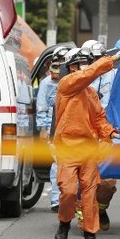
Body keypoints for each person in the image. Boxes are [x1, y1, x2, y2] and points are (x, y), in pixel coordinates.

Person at [53, 47, 120, 239]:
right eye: (82, 63)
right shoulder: (66, 85)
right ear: (71, 67)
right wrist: (109, 60)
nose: (85, 67)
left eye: (87, 62)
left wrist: (109, 132)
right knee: (68, 191)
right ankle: (64, 223)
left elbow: (99, 119)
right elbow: (88, 74)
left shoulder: (90, 93)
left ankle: (90, 233)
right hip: (67, 147)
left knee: (89, 192)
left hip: (88, 148)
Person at [80, 40, 119, 232]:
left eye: (99, 58)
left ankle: (101, 210)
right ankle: (85, 221)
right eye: (91, 59)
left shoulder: (117, 75)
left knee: (107, 183)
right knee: (82, 181)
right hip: (83, 134)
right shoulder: (80, 77)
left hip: (107, 133)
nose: (95, 62)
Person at [36, 46, 69, 212]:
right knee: (58, 163)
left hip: (72, 128)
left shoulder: (74, 80)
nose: (57, 70)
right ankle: (56, 200)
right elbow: (42, 107)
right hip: (54, 129)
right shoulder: (46, 84)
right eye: (55, 66)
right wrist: (43, 129)